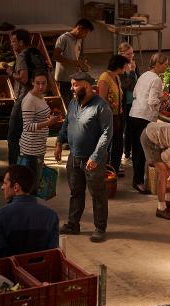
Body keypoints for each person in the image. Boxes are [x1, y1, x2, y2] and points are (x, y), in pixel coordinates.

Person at [55, 72, 113, 243]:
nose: (72, 88)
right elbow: (67, 123)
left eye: (75, 85)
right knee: (75, 192)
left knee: (98, 194)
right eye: (72, 84)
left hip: (93, 159)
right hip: (74, 157)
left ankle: (100, 228)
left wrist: (96, 156)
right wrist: (59, 141)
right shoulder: (73, 102)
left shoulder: (101, 107)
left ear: (86, 86)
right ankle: (73, 225)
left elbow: (106, 134)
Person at [0, 165, 59, 258]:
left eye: (5, 183)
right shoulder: (51, 216)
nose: (2, 187)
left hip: (10, 271)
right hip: (41, 271)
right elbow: (52, 253)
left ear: (16, 187)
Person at [129, 52, 169, 194]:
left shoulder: (144, 75)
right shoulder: (157, 80)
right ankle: (139, 182)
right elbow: (152, 101)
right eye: (165, 64)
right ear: (158, 64)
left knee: (136, 150)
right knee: (141, 151)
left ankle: (137, 179)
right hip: (144, 117)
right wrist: (163, 99)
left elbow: (134, 93)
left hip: (134, 114)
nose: (166, 67)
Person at [19, 71, 62, 193]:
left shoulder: (40, 96)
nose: (41, 86)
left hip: (39, 146)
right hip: (31, 149)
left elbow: (39, 116)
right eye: (37, 83)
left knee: (35, 183)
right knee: (31, 186)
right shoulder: (29, 100)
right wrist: (49, 123)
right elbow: (27, 126)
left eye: (43, 83)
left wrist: (51, 117)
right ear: (32, 82)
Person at [98, 54, 129, 175]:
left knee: (118, 145)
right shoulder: (105, 78)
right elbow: (101, 99)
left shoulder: (116, 77)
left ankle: (114, 169)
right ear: (118, 66)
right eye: (124, 65)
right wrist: (110, 106)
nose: (126, 67)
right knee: (107, 145)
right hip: (109, 117)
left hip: (118, 116)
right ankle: (105, 171)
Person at [53, 19, 94, 107]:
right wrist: (73, 62)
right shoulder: (63, 38)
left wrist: (81, 63)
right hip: (63, 78)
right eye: (85, 33)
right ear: (79, 28)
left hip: (73, 77)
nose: (85, 36)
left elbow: (75, 56)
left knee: (73, 103)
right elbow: (55, 56)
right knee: (65, 104)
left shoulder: (79, 40)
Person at [6, 28, 32, 167]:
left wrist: (10, 72)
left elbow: (23, 78)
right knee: (27, 135)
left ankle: (13, 170)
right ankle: (26, 167)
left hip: (23, 98)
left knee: (12, 137)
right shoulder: (34, 53)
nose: (12, 44)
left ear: (21, 42)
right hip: (34, 97)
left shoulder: (22, 56)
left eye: (14, 41)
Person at [118, 42, 140, 161]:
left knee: (133, 127)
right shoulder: (120, 67)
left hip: (135, 101)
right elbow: (127, 86)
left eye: (132, 53)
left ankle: (130, 150)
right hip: (125, 102)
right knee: (125, 127)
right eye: (128, 54)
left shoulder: (133, 64)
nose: (131, 56)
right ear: (121, 54)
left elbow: (139, 80)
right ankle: (126, 151)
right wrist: (132, 71)